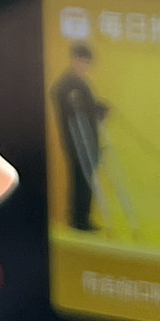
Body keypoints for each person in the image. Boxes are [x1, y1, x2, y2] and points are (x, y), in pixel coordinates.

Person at [52, 42, 109, 232]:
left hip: (88, 140)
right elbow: (72, 106)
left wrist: (100, 108)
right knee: (81, 179)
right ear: (74, 60)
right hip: (77, 141)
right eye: (81, 61)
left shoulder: (82, 83)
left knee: (86, 179)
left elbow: (89, 106)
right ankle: (79, 220)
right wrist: (90, 109)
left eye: (87, 63)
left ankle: (82, 218)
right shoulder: (66, 84)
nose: (84, 66)